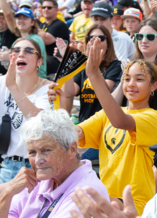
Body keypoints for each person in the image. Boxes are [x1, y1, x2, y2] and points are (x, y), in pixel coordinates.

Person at [53, 40, 157, 215]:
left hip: (135, 202)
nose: (131, 84)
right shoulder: (107, 114)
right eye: (127, 78)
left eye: (139, 79)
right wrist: (58, 106)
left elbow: (119, 121)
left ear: (153, 86)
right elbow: (70, 135)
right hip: (104, 197)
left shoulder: (155, 117)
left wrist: (93, 74)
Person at [0, 109, 109, 217]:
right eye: (32, 152)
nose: (38, 160)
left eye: (46, 150)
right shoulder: (37, 180)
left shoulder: (86, 191)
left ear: (72, 149)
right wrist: (7, 193)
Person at [0, 38, 51, 183]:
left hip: (37, 167)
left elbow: (38, 123)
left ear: (39, 62)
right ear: (11, 57)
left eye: (28, 51)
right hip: (7, 165)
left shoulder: (49, 88)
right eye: (16, 50)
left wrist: (13, 88)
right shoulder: (1, 84)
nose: (21, 54)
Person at [113, 19, 157, 114]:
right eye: (140, 36)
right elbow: (112, 106)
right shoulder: (130, 66)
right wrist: (124, 80)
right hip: (125, 121)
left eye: (150, 37)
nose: (144, 41)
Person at [57, 24, 121, 124]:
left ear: (108, 42)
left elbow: (107, 91)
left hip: (106, 124)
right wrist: (67, 61)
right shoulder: (82, 66)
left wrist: (94, 68)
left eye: (101, 38)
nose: (96, 42)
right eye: (92, 38)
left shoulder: (116, 65)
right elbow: (70, 92)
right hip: (85, 124)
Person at [0, 0, 47, 78]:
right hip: (21, 82)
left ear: (32, 22)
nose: (21, 21)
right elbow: (13, 68)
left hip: (35, 84)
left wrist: (10, 58)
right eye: (19, 18)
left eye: (25, 18)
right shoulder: (17, 41)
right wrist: (5, 61)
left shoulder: (35, 40)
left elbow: (29, 67)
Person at [38, 0, 70, 73]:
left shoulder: (60, 24)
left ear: (56, 10)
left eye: (49, 8)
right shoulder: (42, 25)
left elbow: (46, 39)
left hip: (57, 61)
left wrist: (32, 24)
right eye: (43, 7)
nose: (46, 9)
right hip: (45, 59)